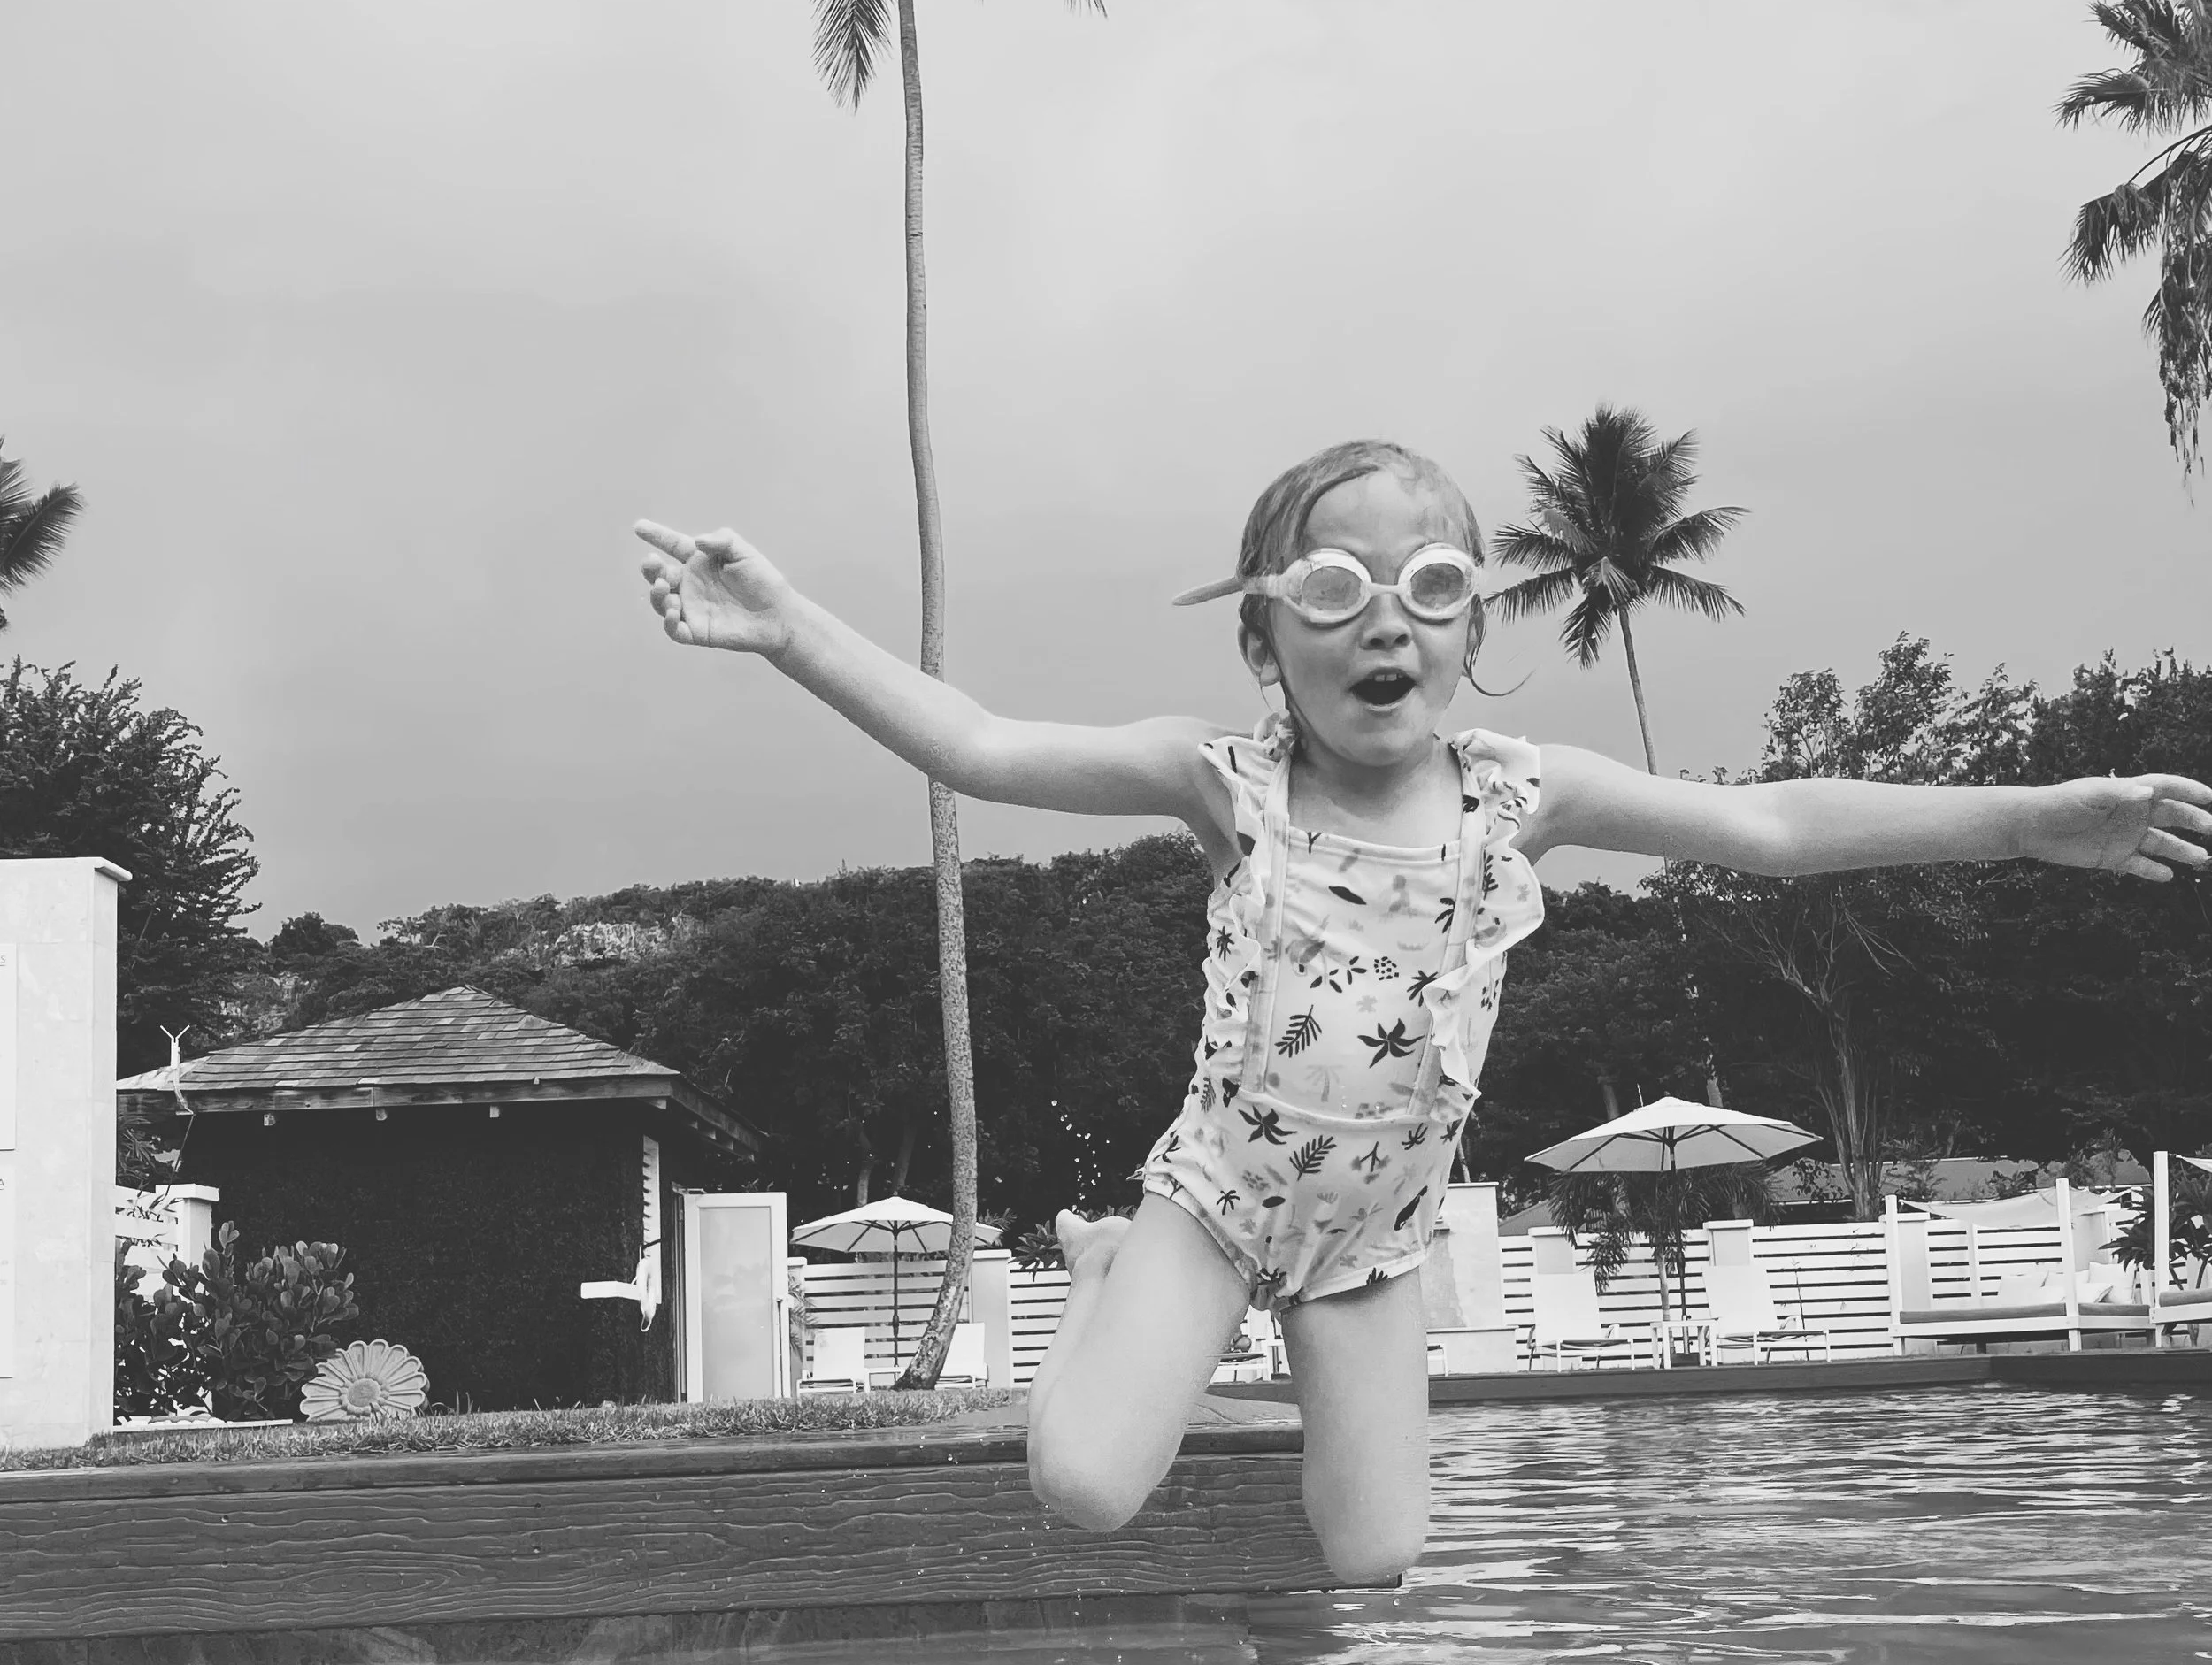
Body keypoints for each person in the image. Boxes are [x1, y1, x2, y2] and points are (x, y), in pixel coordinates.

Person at [636, 437, 2211, 1582]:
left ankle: (1286, 1579)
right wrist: (792, 634)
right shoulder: (1223, 780)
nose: (1384, 617)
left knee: (1377, 1557)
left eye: (1428, 585)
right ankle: (1112, 1265)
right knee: (1085, 1490)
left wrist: (2028, 815)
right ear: (1266, 640)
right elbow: (978, 745)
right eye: (1333, 588)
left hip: (1376, 1243)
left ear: (1468, 633)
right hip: (1218, 1203)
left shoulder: (1524, 796)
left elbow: (1780, 825)